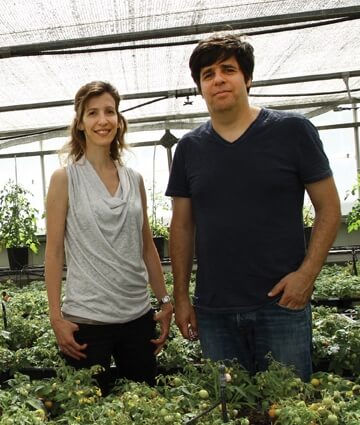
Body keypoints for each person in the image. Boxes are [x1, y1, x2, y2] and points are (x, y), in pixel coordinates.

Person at [166, 34, 341, 381]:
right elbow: (182, 226)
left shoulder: (292, 131)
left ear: (247, 78)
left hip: (281, 304)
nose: (218, 79)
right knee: (231, 409)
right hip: (214, 310)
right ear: (200, 88)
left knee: (287, 406)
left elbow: (329, 208)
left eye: (227, 70)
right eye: (207, 74)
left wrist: (306, 276)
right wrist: (182, 297)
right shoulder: (189, 148)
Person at [45, 81, 173, 394]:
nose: (102, 120)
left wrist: (165, 300)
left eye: (109, 112)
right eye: (92, 113)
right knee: (87, 408)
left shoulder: (134, 179)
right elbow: (54, 252)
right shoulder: (66, 178)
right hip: (87, 323)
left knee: (145, 403)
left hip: (137, 318)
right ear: (80, 123)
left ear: (119, 119)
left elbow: (146, 246)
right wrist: (56, 317)